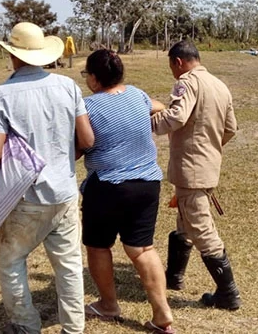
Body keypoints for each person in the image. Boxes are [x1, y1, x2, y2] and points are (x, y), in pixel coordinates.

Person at [0, 22, 95, 334]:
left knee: (12, 262)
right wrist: (66, 160)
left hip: (23, 198)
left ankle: (26, 325)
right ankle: (74, 328)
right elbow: (87, 139)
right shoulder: (67, 86)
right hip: (65, 193)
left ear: (12, 55)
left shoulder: (0, 95)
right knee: (68, 268)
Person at [79, 49, 176, 334]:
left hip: (108, 186)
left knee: (98, 246)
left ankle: (109, 305)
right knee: (142, 248)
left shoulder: (88, 107)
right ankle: (162, 313)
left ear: (95, 79)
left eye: (87, 75)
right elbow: (158, 106)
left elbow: (82, 142)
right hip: (147, 183)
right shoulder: (137, 95)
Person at [151, 40, 241, 310]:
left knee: (202, 230)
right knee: (186, 221)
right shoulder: (219, 85)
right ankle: (175, 277)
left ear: (178, 62)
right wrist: (209, 149)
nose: (173, 72)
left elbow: (176, 117)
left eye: (171, 67)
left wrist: (145, 120)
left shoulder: (187, 83)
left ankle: (228, 294)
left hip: (191, 170)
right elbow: (231, 128)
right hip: (206, 167)